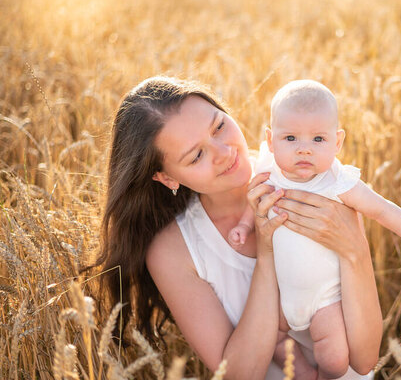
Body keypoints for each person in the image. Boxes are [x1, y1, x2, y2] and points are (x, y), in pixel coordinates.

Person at [94, 76, 382, 380]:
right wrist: (268, 252)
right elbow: (239, 375)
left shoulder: (311, 178)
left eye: (219, 126)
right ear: (167, 178)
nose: (223, 151)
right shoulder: (174, 251)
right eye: (196, 156)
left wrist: (355, 250)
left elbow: (364, 360)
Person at [228, 80, 401, 379]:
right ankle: (303, 374)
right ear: (271, 141)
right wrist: (243, 226)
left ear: (337, 143)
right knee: (272, 338)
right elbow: (257, 206)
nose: (304, 150)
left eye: (318, 139)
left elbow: (381, 208)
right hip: (281, 296)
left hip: (325, 300)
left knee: (337, 359)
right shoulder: (268, 172)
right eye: (290, 138)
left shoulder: (338, 183)